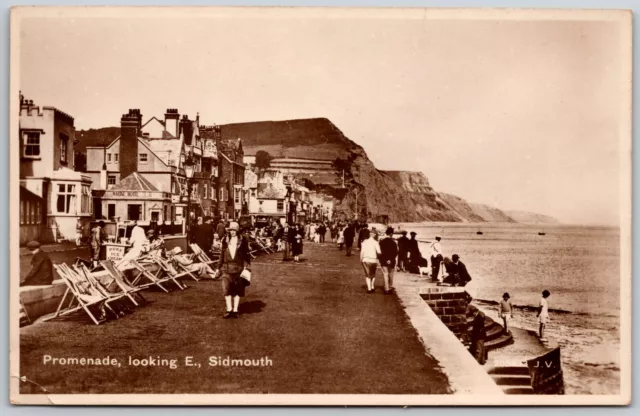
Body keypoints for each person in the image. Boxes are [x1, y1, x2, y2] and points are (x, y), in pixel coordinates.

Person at [216, 222, 251, 319]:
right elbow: (221, 256)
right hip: (226, 268)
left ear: (237, 231)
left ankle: (235, 310)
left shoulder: (242, 241)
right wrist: (218, 268)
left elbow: (246, 255)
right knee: (226, 289)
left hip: (238, 268)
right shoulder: (225, 241)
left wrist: (246, 266)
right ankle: (229, 310)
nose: (232, 232)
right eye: (231, 230)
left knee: (237, 290)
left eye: (234, 230)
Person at [360, 228, 380, 294]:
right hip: (373, 260)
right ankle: (372, 286)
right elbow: (379, 252)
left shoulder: (364, 241)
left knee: (367, 275)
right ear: (374, 235)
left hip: (365, 259)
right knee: (373, 274)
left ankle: (369, 288)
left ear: (370, 234)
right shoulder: (376, 242)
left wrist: (361, 259)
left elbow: (362, 251)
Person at [379, 227, 398, 294]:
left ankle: (386, 289)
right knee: (391, 275)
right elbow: (395, 252)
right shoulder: (394, 242)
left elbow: (380, 252)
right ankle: (390, 287)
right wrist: (390, 259)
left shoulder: (382, 242)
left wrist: (385, 259)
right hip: (392, 261)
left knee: (385, 274)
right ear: (391, 234)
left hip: (384, 261)